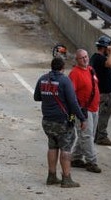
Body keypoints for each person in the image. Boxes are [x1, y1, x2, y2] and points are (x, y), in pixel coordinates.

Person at [34, 56, 87, 188]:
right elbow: (73, 103)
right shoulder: (65, 81)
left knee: (52, 146)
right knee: (66, 148)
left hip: (47, 121)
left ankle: (51, 176)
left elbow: (36, 97)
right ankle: (66, 178)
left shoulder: (42, 79)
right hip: (62, 121)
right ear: (63, 67)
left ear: (51, 66)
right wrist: (82, 117)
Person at [68, 49, 102, 173]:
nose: (85, 59)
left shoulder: (90, 70)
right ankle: (91, 161)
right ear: (77, 60)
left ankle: (76, 157)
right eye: (82, 58)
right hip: (84, 110)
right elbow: (71, 94)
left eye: (86, 56)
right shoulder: (74, 74)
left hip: (94, 108)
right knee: (87, 136)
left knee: (88, 135)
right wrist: (77, 112)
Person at [90, 35, 111, 146]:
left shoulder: (96, 58)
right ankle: (101, 136)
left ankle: (97, 134)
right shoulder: (99, 58)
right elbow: (110, 63)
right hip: (104, 93)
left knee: (101, 114)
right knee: (104, 114)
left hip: (103, 91)